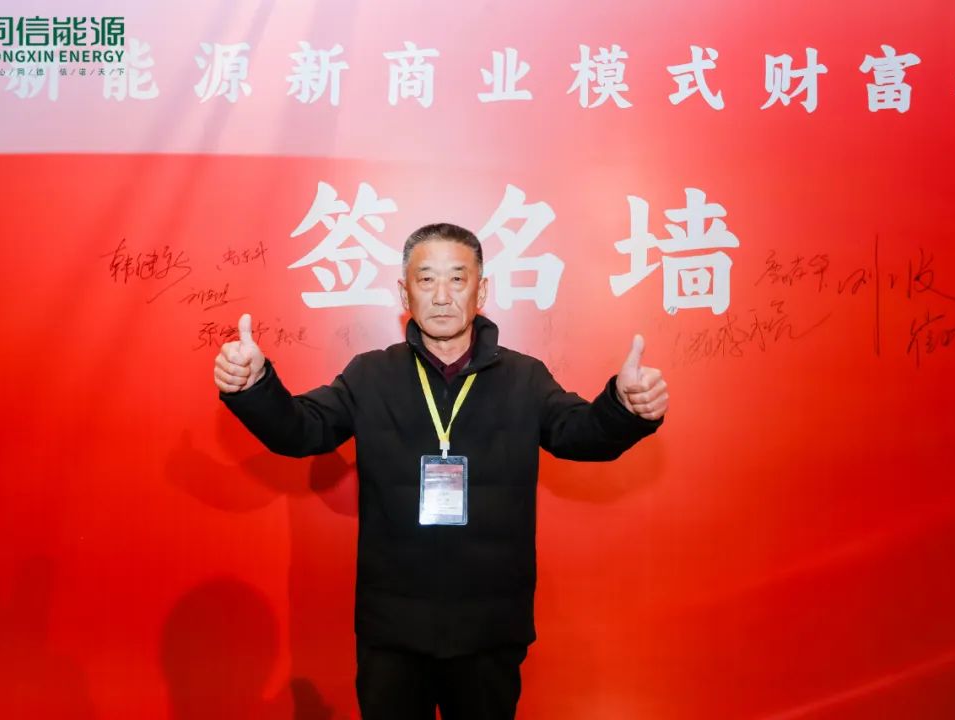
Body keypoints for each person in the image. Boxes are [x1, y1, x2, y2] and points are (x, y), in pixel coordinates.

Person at [213, 222, 668, 720]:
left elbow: (579, 433)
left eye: (457, 278)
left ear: (482, 291)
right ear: (404, 292)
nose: (443, 296)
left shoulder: (524, 378)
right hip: (393, 628)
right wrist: (254, 386)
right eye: (426, 279)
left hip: (489, 627)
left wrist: (624, 407)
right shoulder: (371, 374)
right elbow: (303, 430)